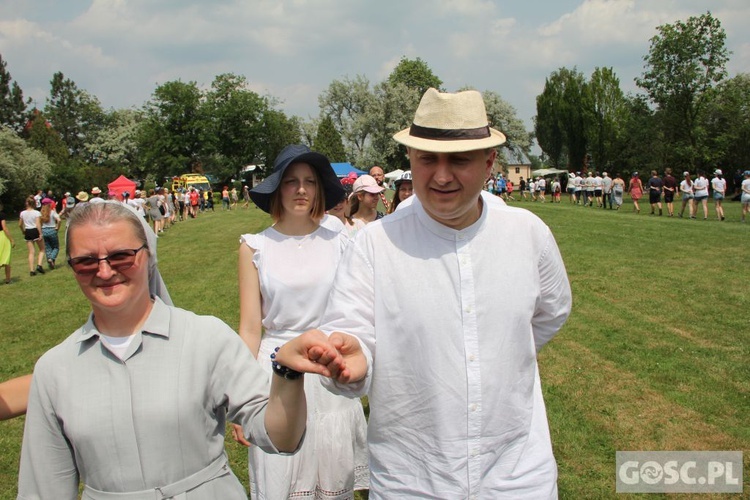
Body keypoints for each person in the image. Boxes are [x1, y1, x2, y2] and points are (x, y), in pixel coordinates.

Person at [303, 88, 572, 498]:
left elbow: (551, 312)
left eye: (459, 160)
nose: (442, 176)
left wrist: (496, 350)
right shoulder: (374, 245)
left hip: (517, 476)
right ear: (410, 159)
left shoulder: (527, 234)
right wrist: (353, 357)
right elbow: (351, 332)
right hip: (412, 479)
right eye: (428, 159)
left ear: (489, 162)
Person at [17, 200, 333, 498]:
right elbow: (44, 489)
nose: (104, 271)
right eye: (86, 261)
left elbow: (280, 437)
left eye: (121, 256)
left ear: (148, 255)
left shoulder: (206, 337)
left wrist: (287, 373)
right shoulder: (53, 370)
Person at [240, 144, 369, 499]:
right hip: (277, 367)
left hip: (328, 364)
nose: (300, 190)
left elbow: (358, 308)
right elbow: (250, 327)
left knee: (332, 475)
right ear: (277, 188)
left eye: (309, 182)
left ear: (319, 189)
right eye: (291, 181)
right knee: (281, 474)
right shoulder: (255, 246)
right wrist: (241, 397)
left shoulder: (341, 239)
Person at [19, 196, 46, 276]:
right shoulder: (36, 213)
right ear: (34, 203)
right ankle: (39, 265)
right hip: (35, 230)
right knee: (42, 249)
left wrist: (23, 231)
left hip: (28, 230)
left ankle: (31, 270)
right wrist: (40, 233)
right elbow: (38, 224)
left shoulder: (22, 213)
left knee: (31, 252)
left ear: (26, 203)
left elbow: (20, 224)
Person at [40, 198, 61, 269]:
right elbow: (59, 220)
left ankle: (51, 264)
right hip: (52, 229)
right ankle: (51, 258)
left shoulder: (41, 213)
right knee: (56, 247)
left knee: (47, 247)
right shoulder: (52, 212)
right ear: (49, 204)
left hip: (44, 230)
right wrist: (57, 227)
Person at [0, 201, 15, 284]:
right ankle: (8, 279)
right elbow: (4, 228)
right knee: (6, 258)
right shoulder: (2, 215)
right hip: (2, 237)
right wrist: (11, 239)